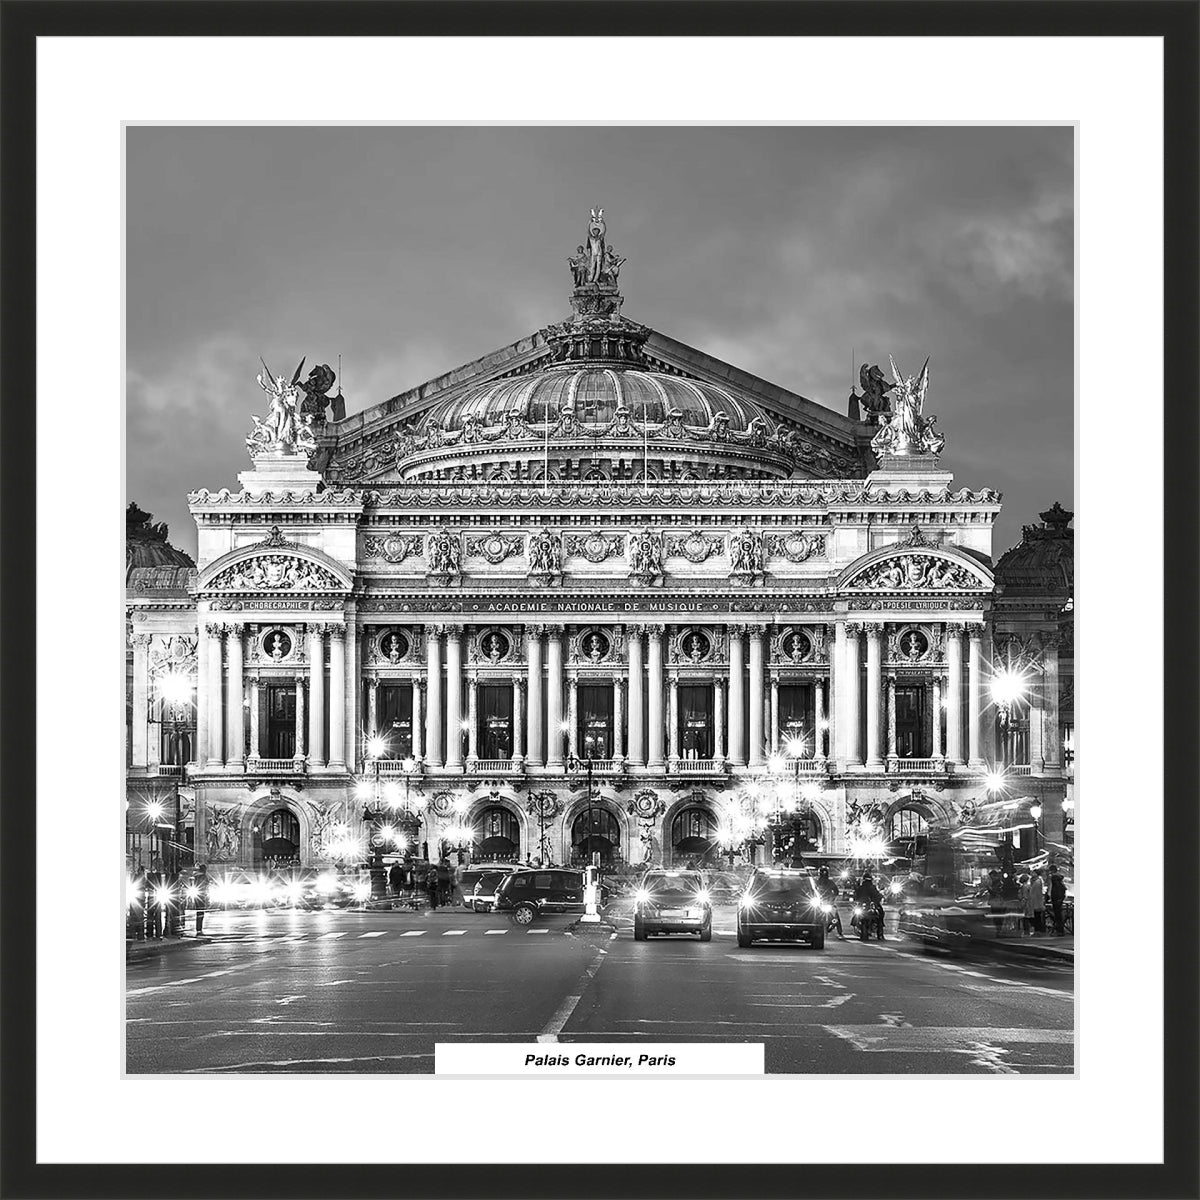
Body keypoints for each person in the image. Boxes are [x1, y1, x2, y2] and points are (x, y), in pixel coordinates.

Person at [816, 866, 846, 939]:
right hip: (820, 902)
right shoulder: (816, 883)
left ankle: (840, 932)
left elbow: (836, 891)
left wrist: (832, 898)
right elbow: (812, 891)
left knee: (836, 916)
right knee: (813, 914)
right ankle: (840, 932)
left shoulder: (827, 882)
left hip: (829, 902)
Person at [854, 870, 885, 940]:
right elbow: (856, 896)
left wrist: (877, 899)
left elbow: (856, 896)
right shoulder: (865, 888)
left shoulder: (864, 888)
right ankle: (880, 933)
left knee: (880, 913)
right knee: (880, 914)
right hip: (863, 905)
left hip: (870, 905)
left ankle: (880, 932)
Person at [144, 857, 165, 939]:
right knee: (154, 915)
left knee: (154, 915)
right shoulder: (152, 874)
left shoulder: (155, 875)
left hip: (155, 896)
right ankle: (156, 933)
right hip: (153, 897)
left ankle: (154, 933)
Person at [1048, 866, 1067, 936]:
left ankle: (1059, 931)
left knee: (1057, 915)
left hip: (1056, 899)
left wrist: (1051, 897)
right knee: (1059, 915)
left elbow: (1055, 889)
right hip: (1059, 898)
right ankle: (1060, 930)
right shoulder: (1059, 879)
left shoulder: (1054, 878)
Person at [192, 864, 209, 936]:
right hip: (201, 896)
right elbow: (206, 885)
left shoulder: (196, 876)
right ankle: (199, 930)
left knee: (198, 913)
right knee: (201, 913)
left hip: (197, 895)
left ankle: (198, 929)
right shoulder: (203, 876)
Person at [1028, 869, 1046, 934]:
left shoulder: (1038, 881)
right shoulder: (1034, 881)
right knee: (1036, 916)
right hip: (1034, 901)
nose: (1031, 873)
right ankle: (1038, 930)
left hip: (1037, 901)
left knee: (1037, 916)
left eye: (1033, 872)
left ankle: (1038, 930)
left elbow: (1037, 893)